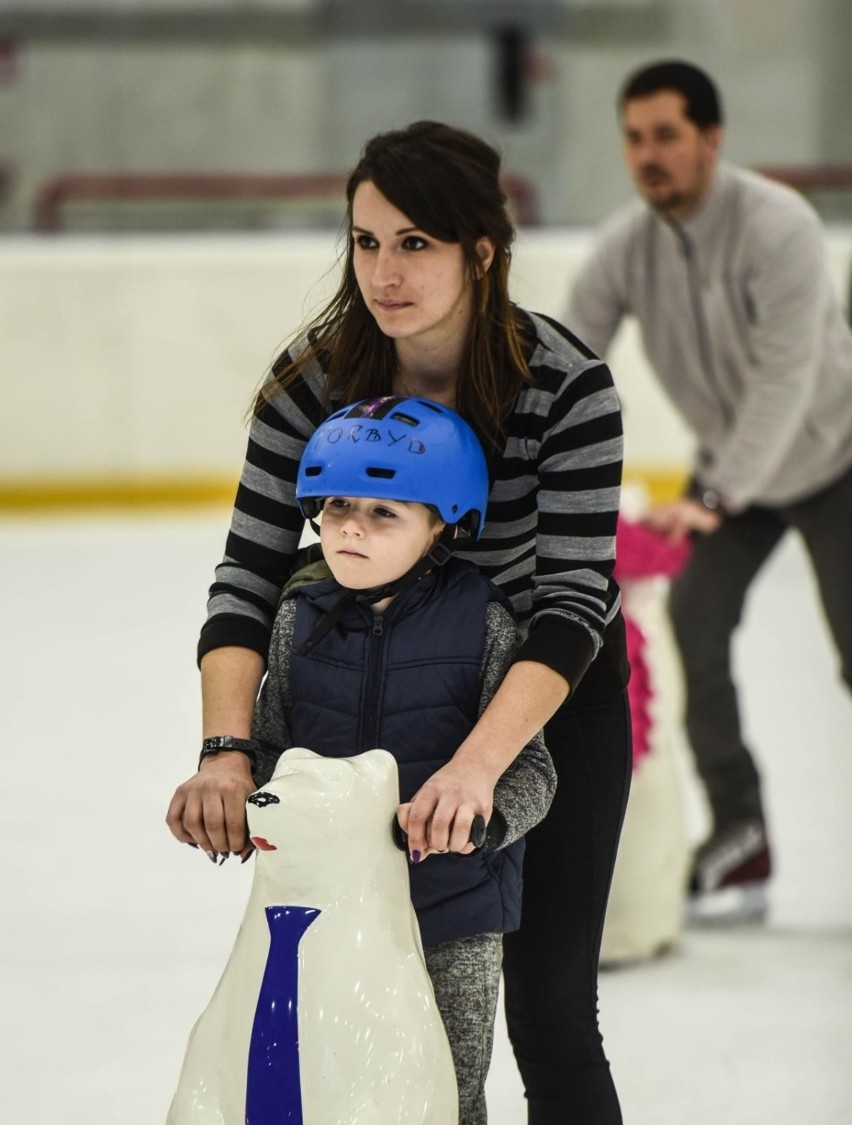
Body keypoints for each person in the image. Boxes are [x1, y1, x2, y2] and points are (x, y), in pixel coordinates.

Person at [167, 120, 632, 1124]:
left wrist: (477, 766)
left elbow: (570, 605)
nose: (384, 270)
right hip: (359, 706)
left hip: (538, 704)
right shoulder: (312, 385)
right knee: (346, 1007)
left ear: (481, 252)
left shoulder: (567, 386)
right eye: (366, 242)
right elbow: (248, 578)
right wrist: (225, 750)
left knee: (548, 1012)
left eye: (415, 242)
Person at [567, 60, 852, 922]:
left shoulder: (779, 225)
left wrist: (717, 493)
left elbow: (786, 382)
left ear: (712, 140)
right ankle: (741, 841)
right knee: (693, 627)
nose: (648, 155)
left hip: (836, 456)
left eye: (667, 136)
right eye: (634, 137)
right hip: (733, 474)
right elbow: (569, 360)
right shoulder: (627, 246)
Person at [238, 395, 557, 1123]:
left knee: (443, 1096)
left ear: (442, 521)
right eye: (339, 502)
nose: (351, 525)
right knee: (330, 1088)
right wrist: (243, 798)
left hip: (452, 914)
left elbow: (534, 771)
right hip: (326, 914)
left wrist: (480, 820)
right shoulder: (297, 619)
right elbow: (270, 749)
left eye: (386, 511)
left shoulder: (484, 621)